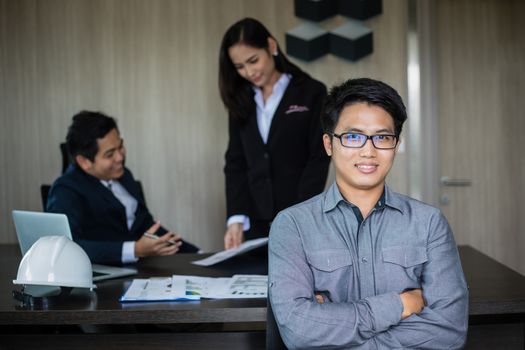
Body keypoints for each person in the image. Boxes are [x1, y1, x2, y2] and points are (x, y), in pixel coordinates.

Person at [269, 78, 469, 349]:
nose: (368, 151)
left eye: (382, 137)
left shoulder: (429, 223)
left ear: (396, 145)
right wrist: (401, 304)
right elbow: (298, 330)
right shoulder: (292, 225)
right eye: (353, 136)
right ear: (329, 144)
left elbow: (449, 330)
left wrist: (332, 326)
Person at [219, 18, 330, 249]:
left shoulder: (311, 93)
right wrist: (235, 218)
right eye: (239, 67)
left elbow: (318, 158)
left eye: (253, 61)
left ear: (270, 46)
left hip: (299, 218)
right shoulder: (240, 100)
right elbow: (236, 161)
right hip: (255, 220)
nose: (249, 72)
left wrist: (299, 215)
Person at [47, 111, 198, 265]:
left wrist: (197, 254)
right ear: (84, 161)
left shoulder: (124, 176)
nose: (120, 157)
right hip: (104, 278)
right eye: (110, 154)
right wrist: (133, 249)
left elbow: (147, 226)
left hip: (142, 269)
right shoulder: (66, 190)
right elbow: (67, 246)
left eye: (121, 147)